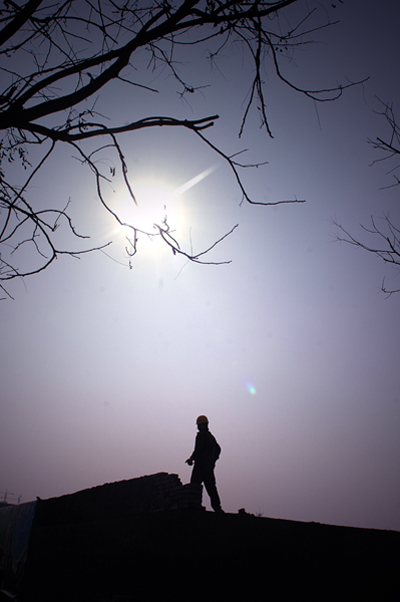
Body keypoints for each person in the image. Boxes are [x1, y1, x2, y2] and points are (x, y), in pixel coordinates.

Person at [186, 415, 223, 513]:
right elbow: (218, 449)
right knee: (211, 488)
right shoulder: (211, 437)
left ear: (203, 425)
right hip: (208, 468)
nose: (197, 427)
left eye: (199, 425)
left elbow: (198, 450)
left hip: (200, 466)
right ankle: (217, 508)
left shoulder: (201, 435)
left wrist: (191, 459)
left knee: (194, 486)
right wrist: (212, 461)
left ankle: (193, 507)